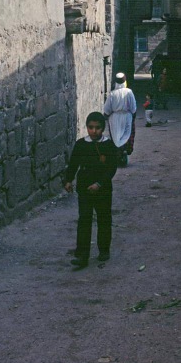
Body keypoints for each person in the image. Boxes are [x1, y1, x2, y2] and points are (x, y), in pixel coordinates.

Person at [64, 112, 118, 269]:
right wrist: (68, 180)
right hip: (84, 188)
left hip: (103, 190)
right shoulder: (81, 144)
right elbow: (73, 163)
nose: (94, 131)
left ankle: (104, 249)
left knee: (104, 218)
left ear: (103, 128)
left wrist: (99, 184)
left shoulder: (108, 146)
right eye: (91, 128)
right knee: (84, 220)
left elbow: (111, 168)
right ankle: (82, 255)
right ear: (87, 127)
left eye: (98, 128)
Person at [104, 72, 137, 165]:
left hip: (114, 118)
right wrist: (133, 116)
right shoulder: (129, 92)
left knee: (116, 137)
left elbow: (107, 110)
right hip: (127, 117)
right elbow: (133, 107)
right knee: (126, 135)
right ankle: (125, 151)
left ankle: (117, 155)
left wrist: (107, 116)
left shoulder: (112, 94)